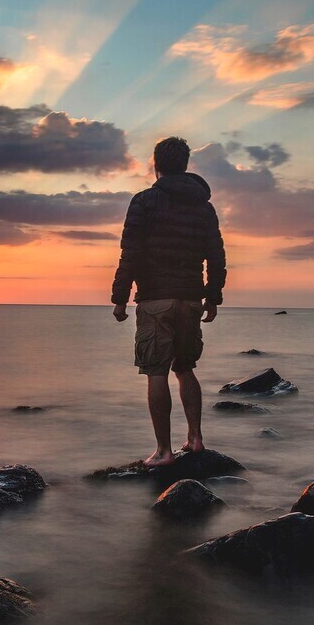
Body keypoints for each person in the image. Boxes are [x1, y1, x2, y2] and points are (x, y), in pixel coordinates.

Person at [111, 137, 227, 467]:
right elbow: (216, 255)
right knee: (186, 368)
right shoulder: (203, 207)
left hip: (155, 299)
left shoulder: (145, 202)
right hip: (191, 298)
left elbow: (130, 252)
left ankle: (163, 452)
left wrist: (120, 298)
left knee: (156, 372)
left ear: (156, 164)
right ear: (185, 164)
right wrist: (213, 296)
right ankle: (195, 439)